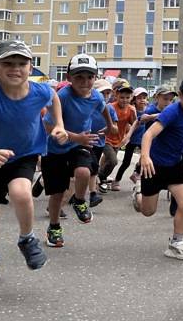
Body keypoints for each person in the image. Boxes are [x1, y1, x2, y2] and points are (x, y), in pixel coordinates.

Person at [0, 40, 67, 288]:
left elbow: (53, 97)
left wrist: (59, 125)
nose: (15, 68)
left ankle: (27, 239)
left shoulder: (40, 91)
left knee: (21, 193)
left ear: (31, 67)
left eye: (22, 63)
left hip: (25, 154)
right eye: (8, 63)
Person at [42, 54, 115, 247]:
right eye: (79, 77)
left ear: (96, 78)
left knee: (84, 172)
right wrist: (76, 137)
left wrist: (109, 126)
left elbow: (103, 107)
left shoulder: (96, 96)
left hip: (78, 146)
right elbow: (48, 127)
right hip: (55, 148)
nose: (85, 82)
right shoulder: (62, 97)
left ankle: (79, 200)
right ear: (68, 77)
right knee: (57, 193)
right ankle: (54, 227)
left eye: (90, 77)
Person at [137, 74, 183, 261]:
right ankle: (138, 194)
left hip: (175, 164)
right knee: (147, 211)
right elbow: (148, 135)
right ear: (180, 95)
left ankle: (176, 243)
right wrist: (145, 157)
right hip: (154, 166)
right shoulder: (171, 112)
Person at [98, 83, 136, 191]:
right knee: (113, 160)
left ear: (131, 97)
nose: (125, 100)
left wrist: (134, 114)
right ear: (116, 96)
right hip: (106, 138)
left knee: (111, 162)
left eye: (127, 97)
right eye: (122, 97)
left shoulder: (131, 109)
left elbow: (134, 123)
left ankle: (101, 176)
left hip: (119, 140)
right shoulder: (110, 107)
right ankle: (101, 177)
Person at [87, 79, 117, 207]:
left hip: (99, 143)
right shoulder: (88, 107)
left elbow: (115, 129)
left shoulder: (110, 110)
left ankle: (89, 193)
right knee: (89, 168)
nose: (104, 97)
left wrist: (109, 128)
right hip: (85, 141)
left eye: (107, 93)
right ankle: (92, 194)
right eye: (102, 93)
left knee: (92, 169)